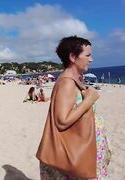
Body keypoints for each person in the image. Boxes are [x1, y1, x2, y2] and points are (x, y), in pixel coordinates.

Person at [36, 36, 111, 179]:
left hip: (83, 151)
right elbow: (62, 121)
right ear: (72, 56)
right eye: (87, 55)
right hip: (76, 155)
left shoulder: (75, 79)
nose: (91, 59)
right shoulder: (67, 82)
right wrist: (89, 100)